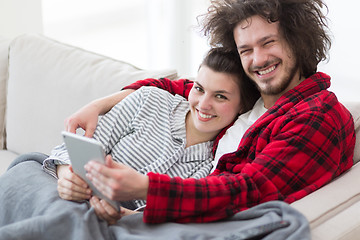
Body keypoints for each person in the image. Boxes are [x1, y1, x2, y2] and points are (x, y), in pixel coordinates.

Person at [67, 0, 356, 224]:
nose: (258, 59)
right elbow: (187, 88)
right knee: (34, 169)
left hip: (208, 225)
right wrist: (101, 104)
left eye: (268, 42)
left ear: (298, 39)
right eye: (246, 50)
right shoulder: (255, 96)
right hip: (176, 215)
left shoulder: (319, 116)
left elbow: (248, 191)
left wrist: (146, 188)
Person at [43, 47, 259, 224]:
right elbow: (71, 150)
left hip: (121, 224)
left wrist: (122, 216)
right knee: (25, 174)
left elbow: (178, 219)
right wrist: (66, 178)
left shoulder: (216, 163)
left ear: (242, 107)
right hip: (71, 194)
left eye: (220, 96)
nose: (203, 104)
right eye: (199, 89)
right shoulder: (150, 100)